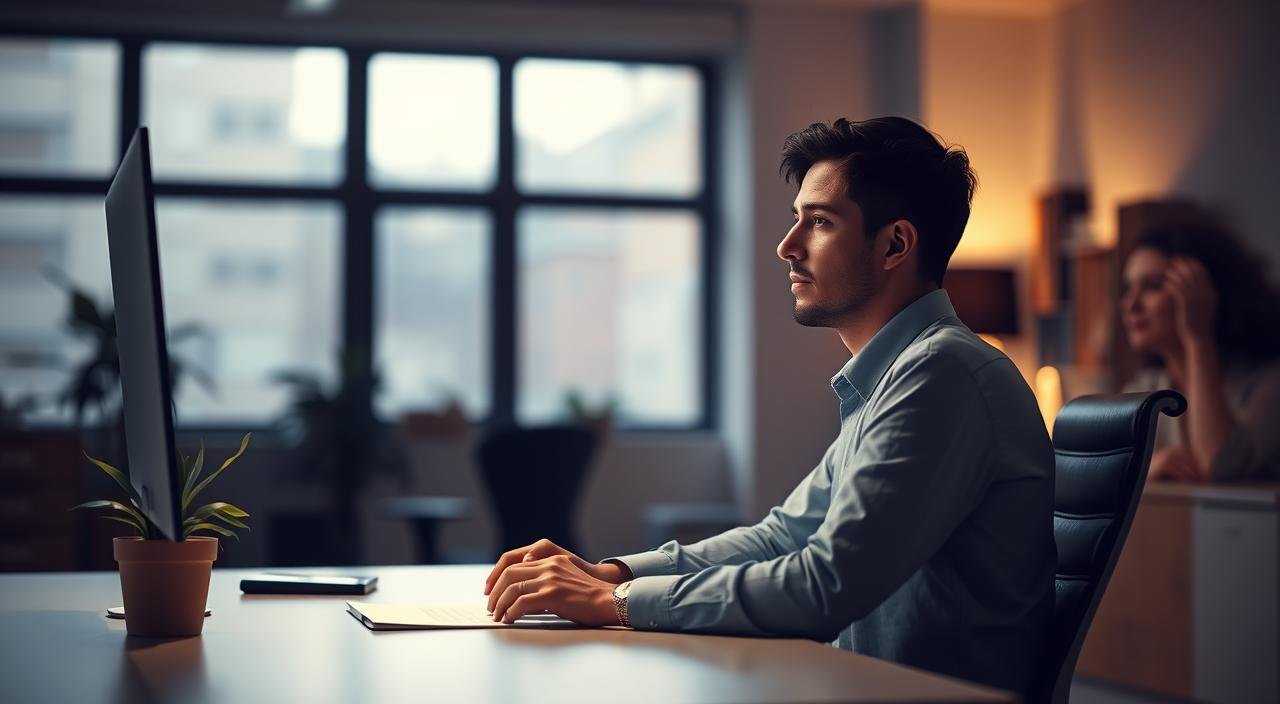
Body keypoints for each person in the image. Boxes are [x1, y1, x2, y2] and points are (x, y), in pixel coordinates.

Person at [483, 117, 1056, 696]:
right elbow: (781, 537)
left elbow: (824, 586)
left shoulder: (943, 375)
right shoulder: (897, 377)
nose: (788, 246)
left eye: (821, 222)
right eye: (796, 220)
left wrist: (617, 603)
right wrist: (614, 573)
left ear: (895, 245)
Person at [1120, 223, 1280, 482]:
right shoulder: (1141, 393)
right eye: (1129, 287)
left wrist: (1197, 338)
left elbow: (1222, 466)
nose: (1131, 304)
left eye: (1151, 286)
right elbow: (1095, 482)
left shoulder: (1266, 386)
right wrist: (1148, 471)